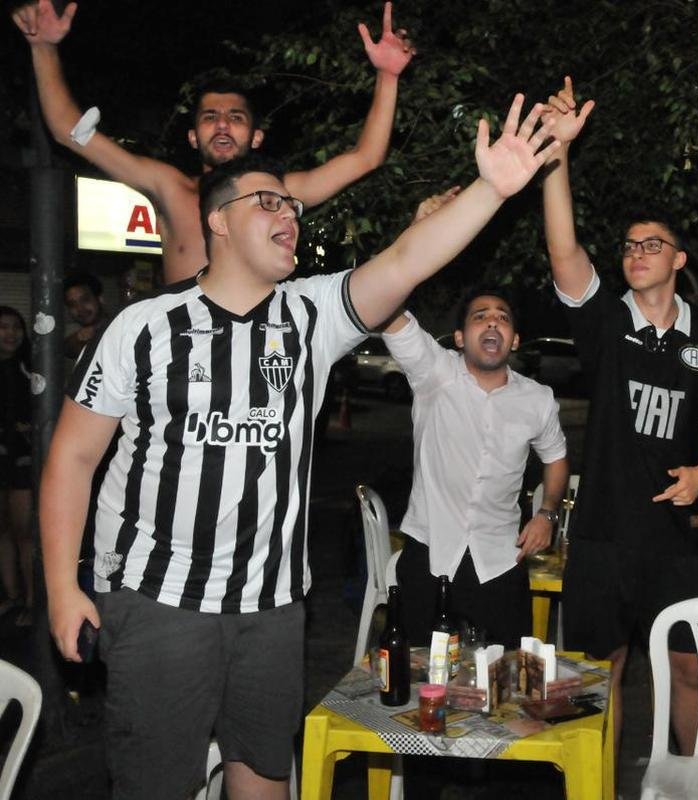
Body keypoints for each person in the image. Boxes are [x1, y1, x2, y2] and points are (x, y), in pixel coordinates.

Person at [39, 95, 559, 800]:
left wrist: (493, 188)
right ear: (218, 220)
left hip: (273, 608)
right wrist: (64, 588)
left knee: (265, 775)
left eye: (293, 207)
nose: (289, 217)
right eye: (269, 204)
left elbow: (407, 259)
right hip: (158, 601)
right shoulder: (144, 326)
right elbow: (72, 457)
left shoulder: (312, 315)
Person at [540, 76, 698, 755]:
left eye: (651, 243)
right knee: (598, 675)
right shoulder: (605, 321)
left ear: (679, 260)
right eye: (628, 245)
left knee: (689, 669)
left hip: (680, 541)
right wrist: (558, 156)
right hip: (601, 537)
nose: (635, 252)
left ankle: (694, 786)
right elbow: (566, 251)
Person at [12, 0, 415, 284]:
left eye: (235, 118)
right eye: (210, 117)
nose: (222, 125)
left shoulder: (279, 195)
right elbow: (70, 131)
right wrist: (43, 47)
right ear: (192, 136)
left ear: (256, 137)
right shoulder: (169, 187)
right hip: (179, 359)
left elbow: (366, 156)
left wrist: (388, 77)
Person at [384, 276, 569, 650]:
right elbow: (385, 306)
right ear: (458, 337)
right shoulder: (433, 372)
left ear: (514, 340)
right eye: (479, 316)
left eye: (502, 318)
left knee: (504, 684)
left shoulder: (538, 399)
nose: (491, 323)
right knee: (423, 681)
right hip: (430, 555)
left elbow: (557, 457)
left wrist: (547, 514)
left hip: (500, 560)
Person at [0, 307, 34, 628]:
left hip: (24, 459)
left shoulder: (30, 365)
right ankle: (11, 597)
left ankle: (32, 602)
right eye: (3, 327)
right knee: (4, 531)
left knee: (25, 534)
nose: (10, 333)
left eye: (15, 327)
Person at [62, 271, 111, 360]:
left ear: (100, 299)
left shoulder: (119, 325)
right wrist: (78, 338)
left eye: (85, 300)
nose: (80, 309)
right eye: (72, 304)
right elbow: (66, 349)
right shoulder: (72, 331)